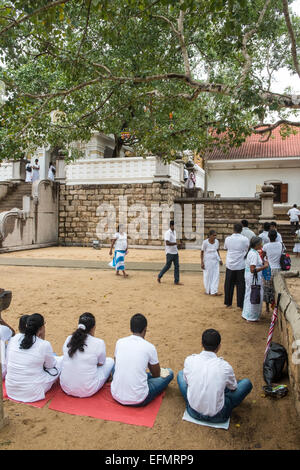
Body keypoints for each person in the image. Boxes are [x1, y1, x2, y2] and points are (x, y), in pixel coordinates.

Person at [177, 329, 252, 423]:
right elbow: (233, 387)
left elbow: (187, 382)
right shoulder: (225, 367)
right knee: (246, 383)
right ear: (219, 347)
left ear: (201, 344)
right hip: (218, 415)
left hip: (193, 411)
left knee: (181, 374)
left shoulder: (190, 360)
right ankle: (216, 396)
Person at [111, 313, 173, 406]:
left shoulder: (120, 342)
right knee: (169, 372)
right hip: (138, 399)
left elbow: (116, 365)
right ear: (145, 330)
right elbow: (156, 374)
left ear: (131, 329)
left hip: (116, 394)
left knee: (119, 368)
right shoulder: (149, 347)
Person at [5, 313, 62, 402]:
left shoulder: (15, 338)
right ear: (41, 328)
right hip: (31, 393)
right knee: (60, 362)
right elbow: (50, 366)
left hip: (11, 390)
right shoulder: (44, 345)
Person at [60, 313, 114, 398]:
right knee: (110, 361)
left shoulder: (69, 339)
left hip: (65, 387)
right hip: (87, 390)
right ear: (93, 327)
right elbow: (101, 363)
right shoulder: (98, 343)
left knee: (64, 360)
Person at [242, 237, 269, 322]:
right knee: (255, 294)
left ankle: (246, 314)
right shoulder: (253, 254)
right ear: (257, 244)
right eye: (261, 243)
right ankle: (251, 316)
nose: (262, 245)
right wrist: (264, 267)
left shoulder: (253, 252)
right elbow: (252, 269)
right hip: (253, 277)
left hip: (250, 277)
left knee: (249, 294)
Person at [224, 223, 249, 309]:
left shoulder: (228, 239)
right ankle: (240, 304)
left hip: (230, 264)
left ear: (233, 229)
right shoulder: (245, 239)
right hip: (241, 264)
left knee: (228, 284)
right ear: (241, 230)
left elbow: (226, 247)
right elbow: (247, 248)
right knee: (241, 285)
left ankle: (228, 302)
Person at [262, 230, 283, 313]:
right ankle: (276, 307)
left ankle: (267, 308)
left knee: (267, 288)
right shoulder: (281, 245)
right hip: (278, 269)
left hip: (268, 269)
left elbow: (262, 256)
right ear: (276, 237)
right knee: (277, 289)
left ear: (268, 237)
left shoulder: (266, 246)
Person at [157, 220, 183, 285]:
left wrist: (178, 245)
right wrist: (176, 243)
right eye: (174, 225)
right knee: (168, 266)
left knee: (177, 266)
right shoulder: (167, 233)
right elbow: (167, 243)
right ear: (171, 225)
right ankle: (159, 276)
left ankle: (176, 281)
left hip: (175, 252)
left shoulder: (174, 232)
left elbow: (173, 242)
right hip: (169, 253)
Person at [201, 230, 223, 296]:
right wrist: (202, 262)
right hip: (207, 261)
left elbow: (217, 250)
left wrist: (220, 259)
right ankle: (208, 290)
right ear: (210, 235)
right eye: (213, 235)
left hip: (215, 260)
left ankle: (214, 291)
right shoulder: (205, 242)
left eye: (215, 235)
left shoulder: (217, 242)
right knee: (207, 275)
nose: (215, 237)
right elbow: (202, 252)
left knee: (216, 275)